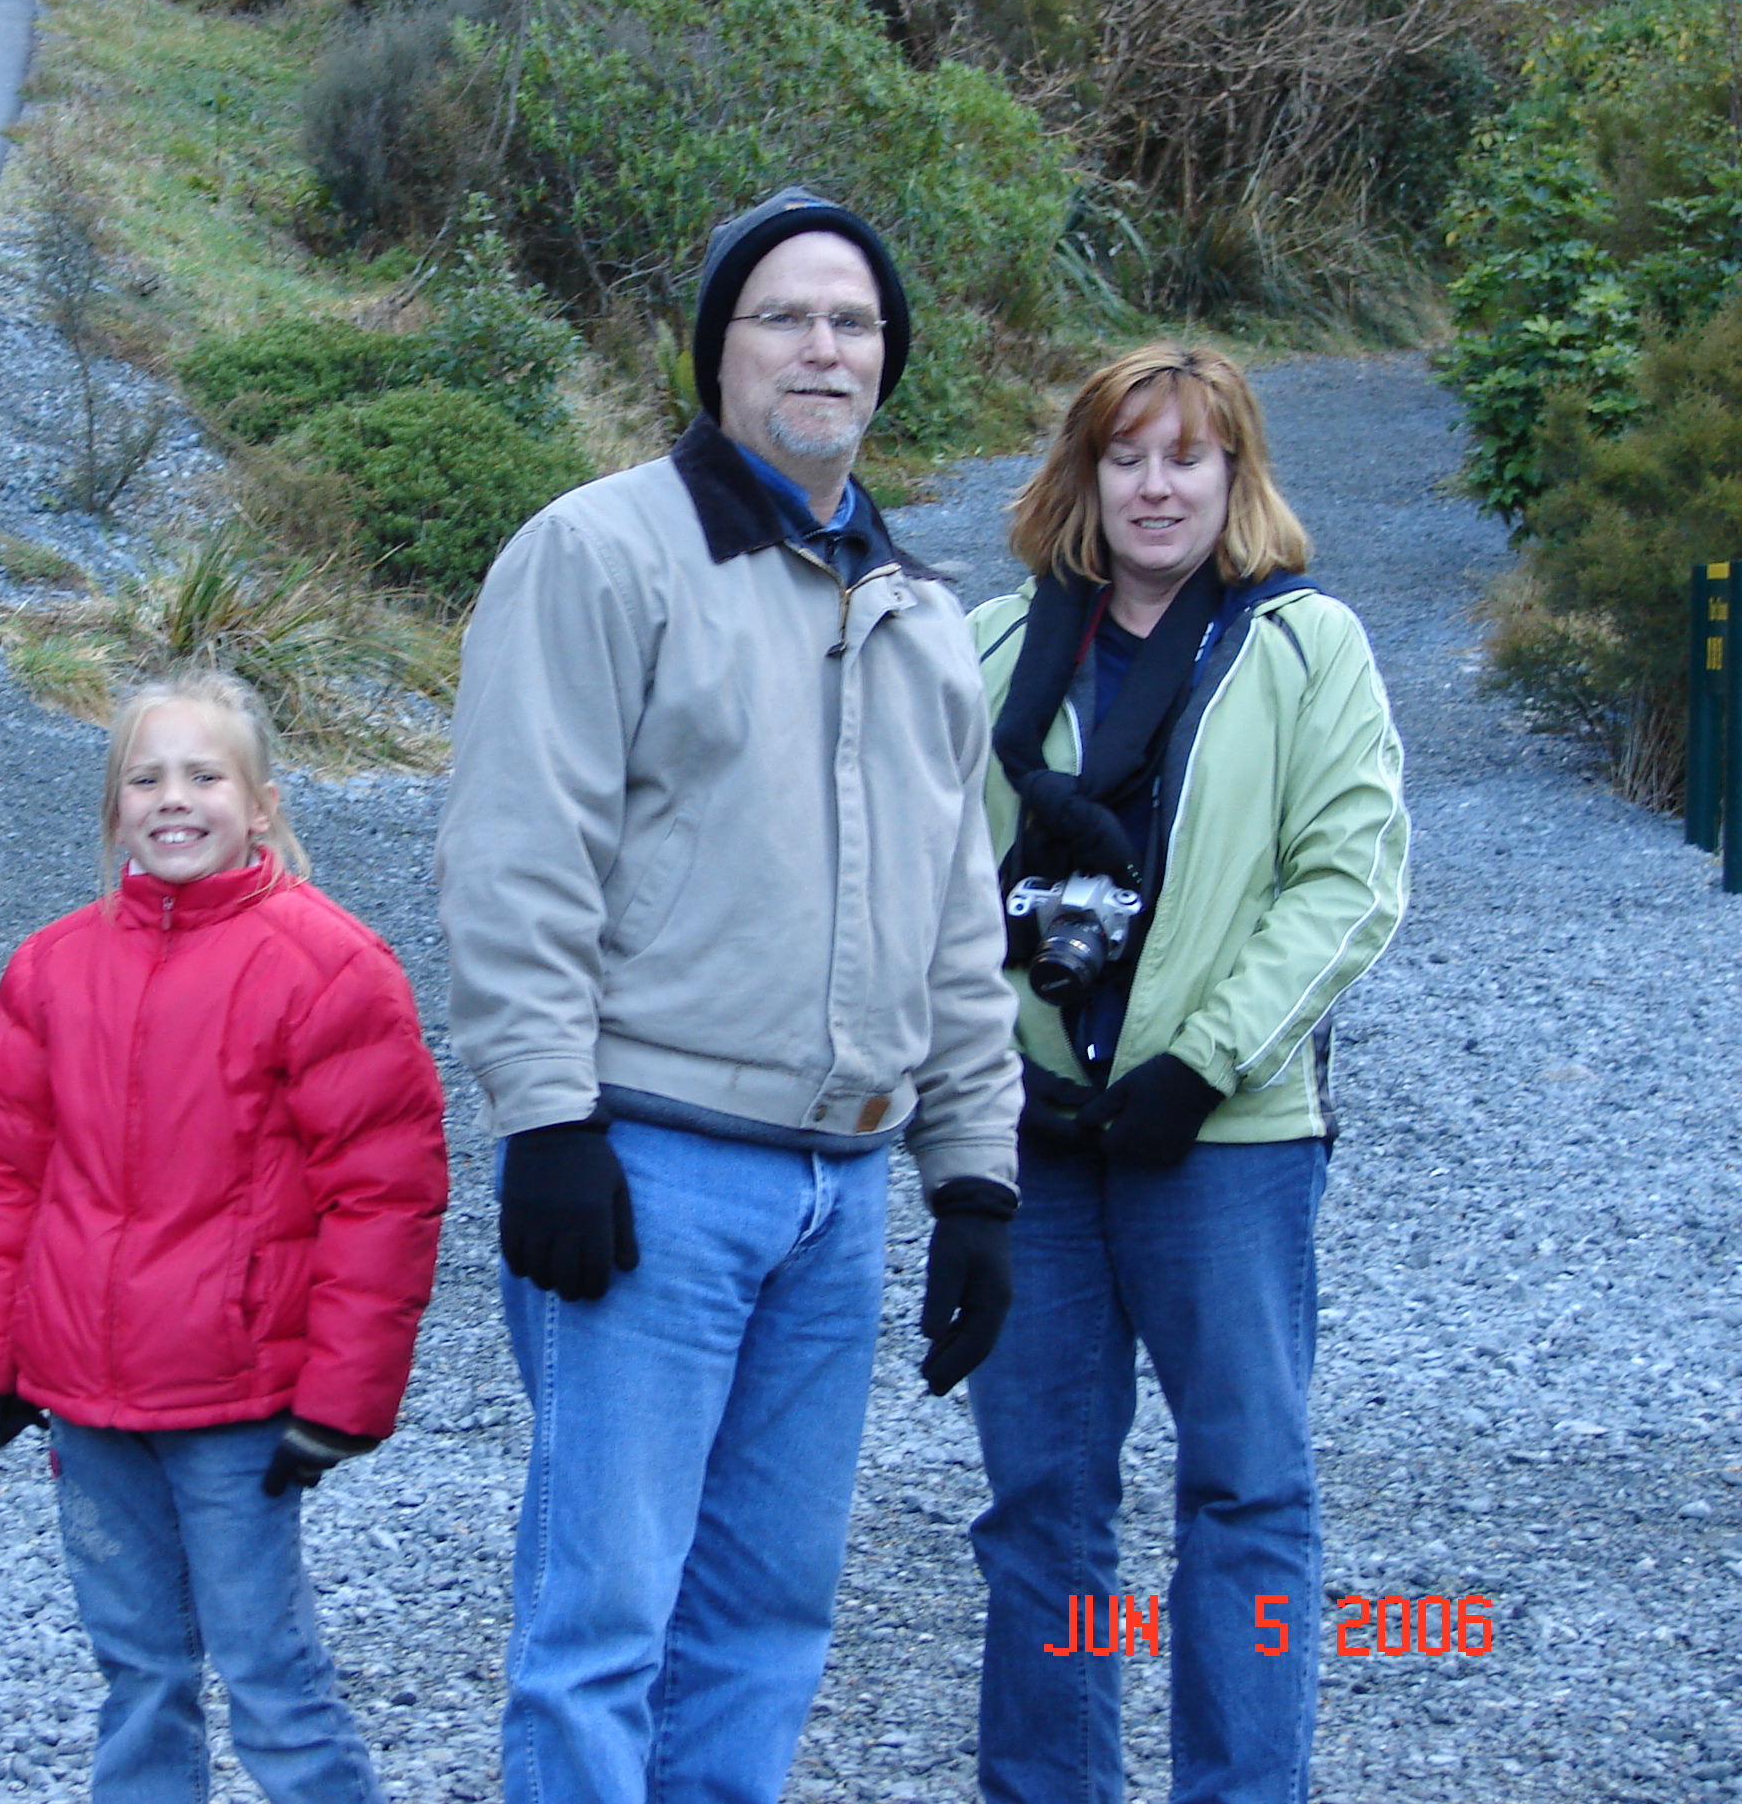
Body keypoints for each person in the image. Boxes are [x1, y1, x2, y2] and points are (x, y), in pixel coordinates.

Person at [434, 185, 1024, 1804]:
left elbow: (956, 922)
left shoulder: (922, 617)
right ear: (716, 350)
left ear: (887, 357)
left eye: (852, 320)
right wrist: (547, 1119)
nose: (822, 346)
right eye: (784, 315)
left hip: (843, 1196)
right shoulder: (600, 553)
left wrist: (974, 1178)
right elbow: (517, 857)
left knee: (765, 1622)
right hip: (647, 1173)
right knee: (600, 1625)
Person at [960, 343, 1409, 1804]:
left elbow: (1348, 880)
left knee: (1246, 1495)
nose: (1157, 487)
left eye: (1188, 457)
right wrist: (982, 1068)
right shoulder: (984, 651)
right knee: (1040, 1507)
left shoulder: (1307, 647)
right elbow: (919, 885)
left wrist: (1202, 1067)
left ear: (1236, 474)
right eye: (1127, 456)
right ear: (1083, 475)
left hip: (1227, 1143)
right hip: (1031, 1142)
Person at [0, 668, 449, 1804]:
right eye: (145, 778)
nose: (174, 798)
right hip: (88, 1399)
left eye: (205, 776)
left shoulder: (329, 967)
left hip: (238, 1400)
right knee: (138, 1669)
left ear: (260, 805)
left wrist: (342, 1399)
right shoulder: (51, 969)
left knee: (269, 1671)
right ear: (114, 811)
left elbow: (384, 1198)